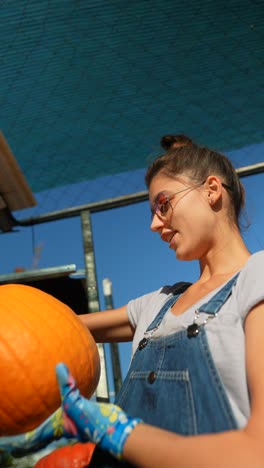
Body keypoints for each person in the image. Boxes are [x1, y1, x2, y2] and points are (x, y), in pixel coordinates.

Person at [1, 143, 264, 467]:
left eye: (163, 204)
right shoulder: (156, 305)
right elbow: (43, 326)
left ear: (211, 190)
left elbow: (257, 453)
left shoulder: (257, 277)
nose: (155, 224)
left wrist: (121, 433)